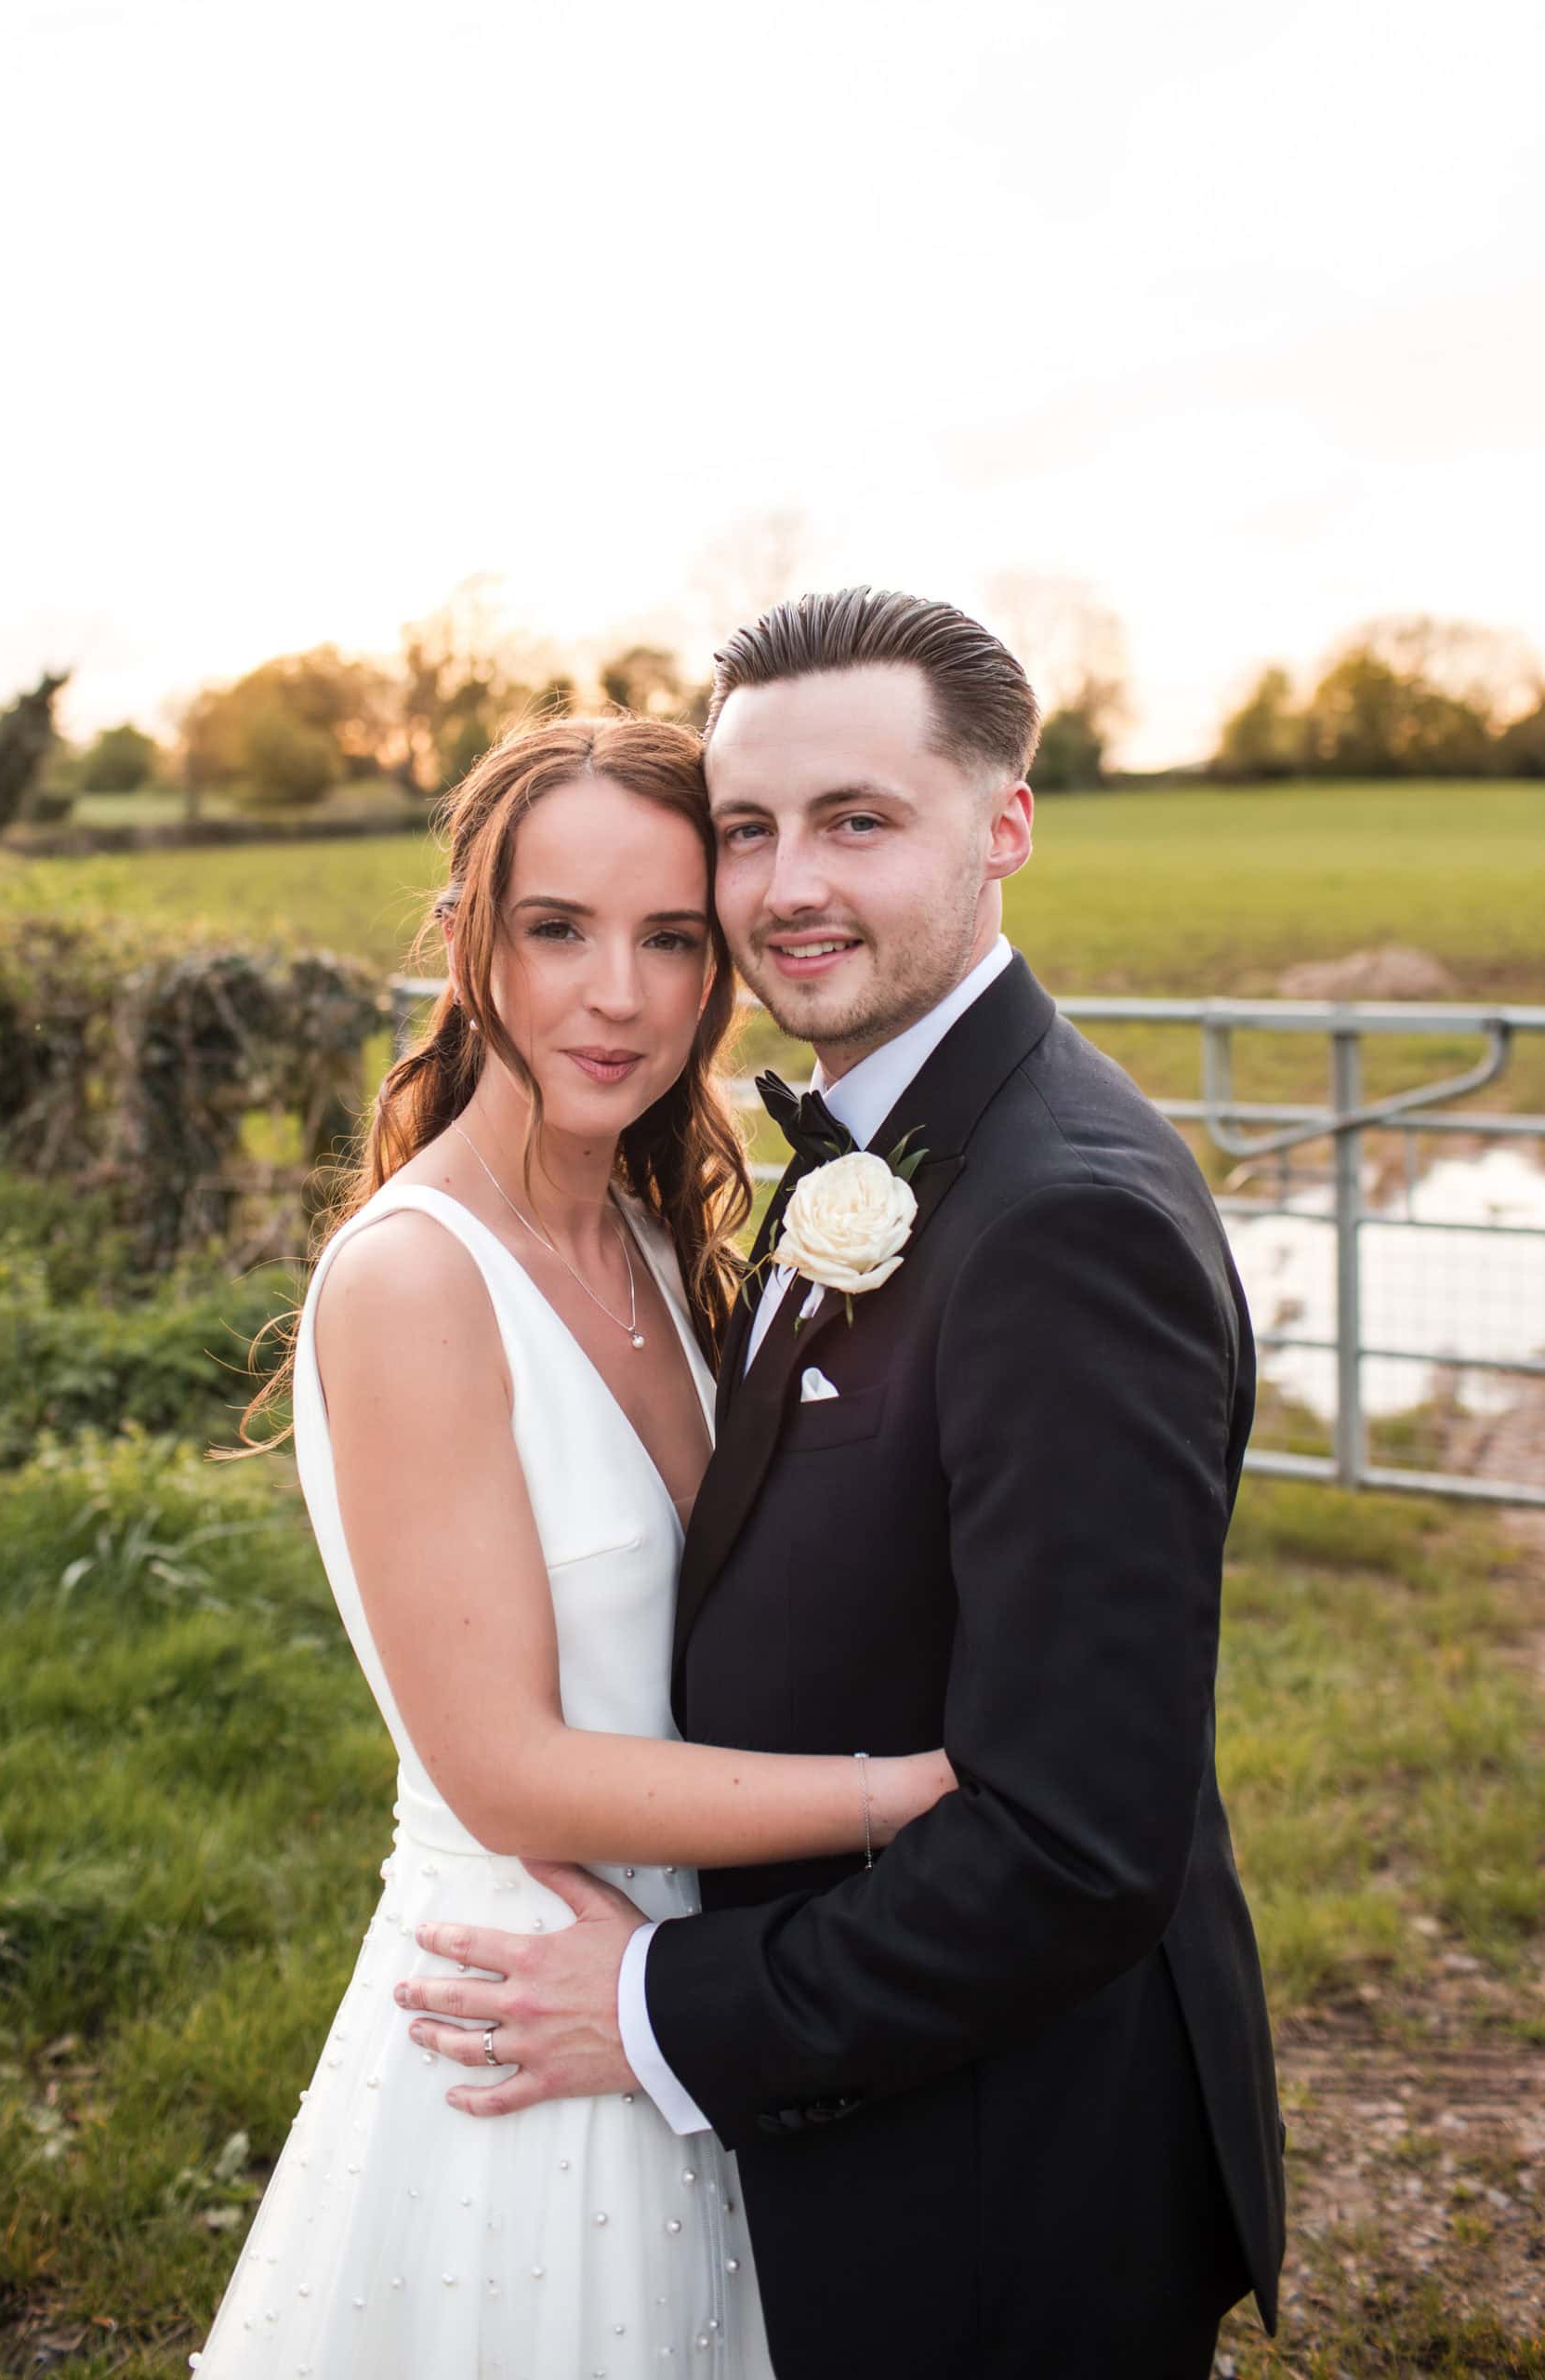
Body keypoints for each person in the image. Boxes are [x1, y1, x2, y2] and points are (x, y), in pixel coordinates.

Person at [399, 590, 1288, 2379]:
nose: (788, 884)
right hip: (869, 2116)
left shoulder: (1065, 1219)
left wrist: (660, 2003)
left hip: (1001, 2172)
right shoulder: (866, 1141)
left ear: (1004, 825)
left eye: (858, 821)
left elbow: (1072, 1847)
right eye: (749, 831)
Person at [186, 714, 957, 2379]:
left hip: (691, 2000)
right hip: (517, 2017)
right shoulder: (417, 1283)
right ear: (472, 943)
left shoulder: (648, 1229)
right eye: (560, 930)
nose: (620, 995)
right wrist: (903, 1793)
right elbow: (509, 1775)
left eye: (672, 938)